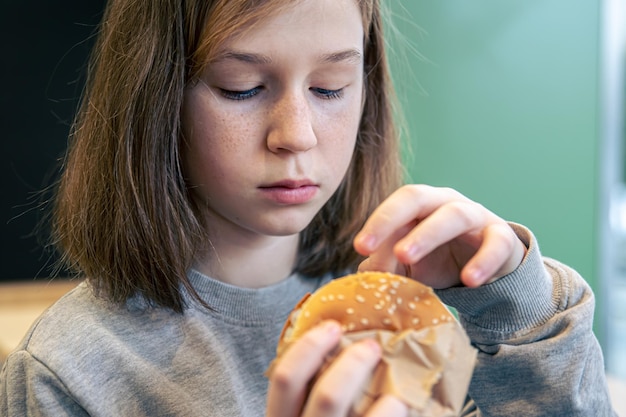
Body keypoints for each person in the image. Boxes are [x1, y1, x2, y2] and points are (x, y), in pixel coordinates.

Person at [0, 0, 617, 415]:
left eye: (330, 88)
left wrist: (519, 314)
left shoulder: (423, 313)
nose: (296, 134)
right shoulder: (68, 372)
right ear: (155, 97)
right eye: (241, 88)